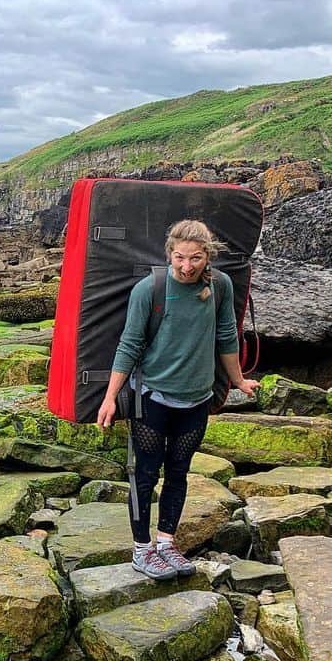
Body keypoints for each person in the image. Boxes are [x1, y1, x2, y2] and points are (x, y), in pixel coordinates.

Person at [95, 220, 259, 581]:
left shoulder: (220, 286)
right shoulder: (149, 289)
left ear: (208, 256)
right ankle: (142, 551)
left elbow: (226, 336)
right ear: (169, 253)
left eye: (196, 258)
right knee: (145, 473)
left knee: (179, 472)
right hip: (152, 398)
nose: (187, 266)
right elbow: (129, 344)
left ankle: (167, 543)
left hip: (196, 400)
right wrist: (109, 398)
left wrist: (238, 381)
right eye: (180, 258)